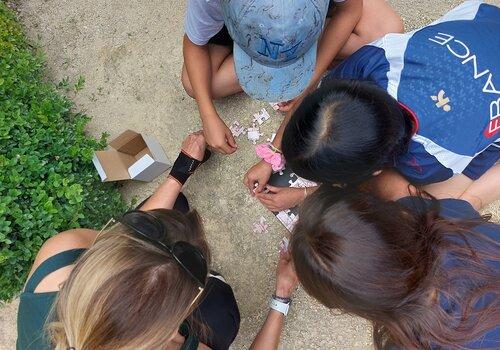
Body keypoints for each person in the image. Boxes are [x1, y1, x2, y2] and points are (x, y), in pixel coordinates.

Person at [244, 1, 500, 212]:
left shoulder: (428, 162)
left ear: (377, 169)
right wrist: (273, 153)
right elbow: (317, 108)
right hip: (484, 22)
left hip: (484, 29)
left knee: (431, 200)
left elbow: (377, 185)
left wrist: (305, 195)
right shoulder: (377, 60)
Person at [16, 132, 240, 350]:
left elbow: (122, 237)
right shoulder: (166, 339)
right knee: (220, 310)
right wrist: (277, 300)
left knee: (171, 210)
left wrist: (181, 171)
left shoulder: (61, 254)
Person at [289, 171, 500, 349]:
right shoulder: (445, 224)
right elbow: (388, 183)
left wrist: (306, 192)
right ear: (398, 217)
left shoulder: (409, 341)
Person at [182, 0, 402, 154]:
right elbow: (194, 44)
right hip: (232, 26)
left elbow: (350, 9)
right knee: (195, 84)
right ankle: (262, 48)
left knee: (387, 35)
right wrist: (207, 114)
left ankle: (300, 42)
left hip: (318, 14)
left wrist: (311, 76)